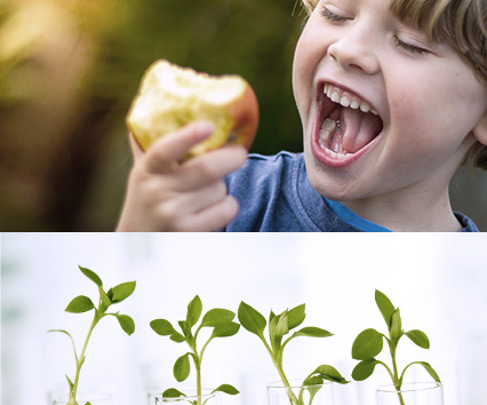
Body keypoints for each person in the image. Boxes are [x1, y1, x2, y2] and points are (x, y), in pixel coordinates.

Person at [116, 0, 487, 232]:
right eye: (334, 13)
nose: (347, 49)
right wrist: (141, 239)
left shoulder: (470, 294)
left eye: (410, 43)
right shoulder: (217, 203)